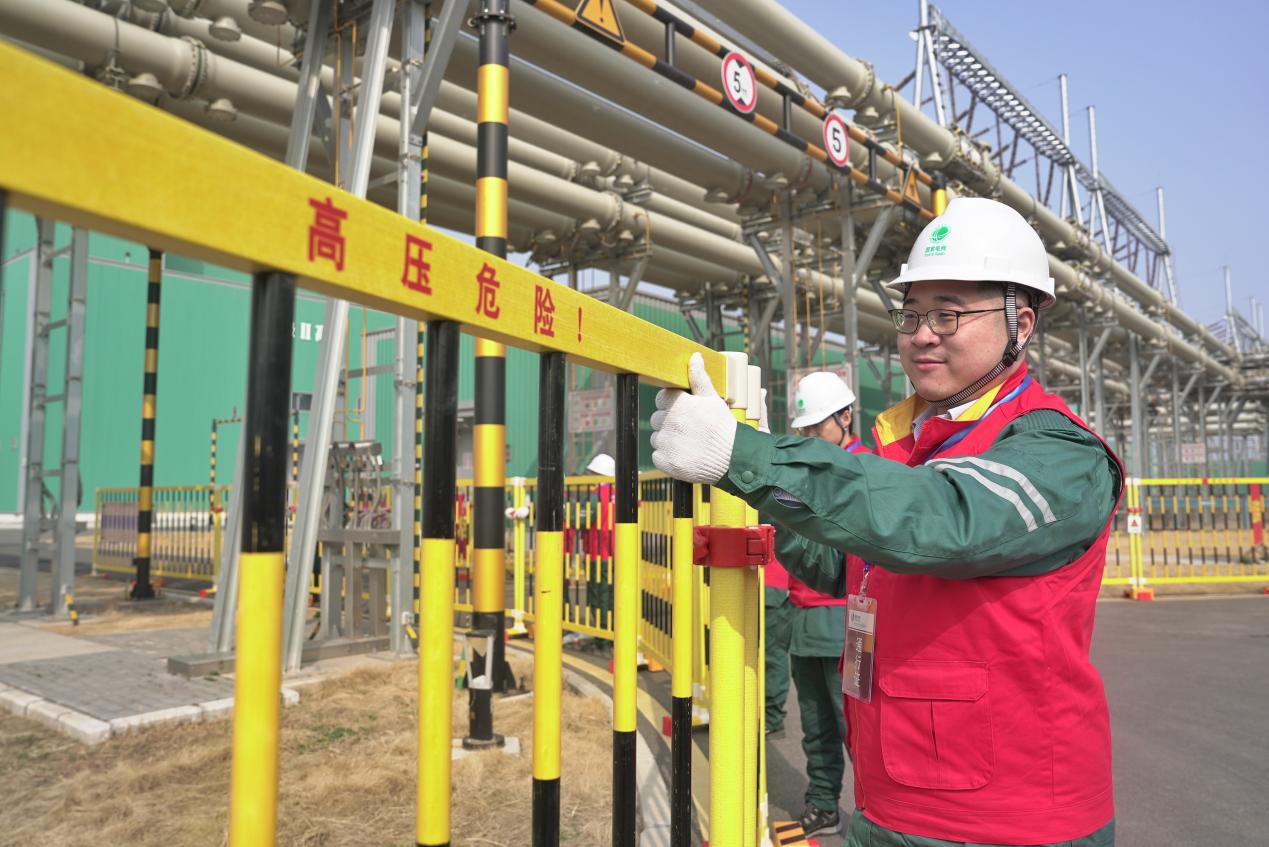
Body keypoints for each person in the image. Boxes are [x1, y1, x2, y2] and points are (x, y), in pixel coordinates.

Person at [650, 198, 1121, 847]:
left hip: (1009, 824)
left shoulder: (1059, 452)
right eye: (911, 314)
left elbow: (942, 518)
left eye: (948, 313)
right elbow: (839, 564)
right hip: (890, 803)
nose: (922, 334)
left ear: (1020, 322)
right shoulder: (907, 446)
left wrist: (745, 454)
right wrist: (745, 494)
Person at [783, 372, 872, 838]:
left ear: (846, 417)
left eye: (818, 427)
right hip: (806, 619)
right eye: (805, 429)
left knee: (859, 727)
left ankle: (877, 817)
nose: (810, 437)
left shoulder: (868, 470)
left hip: (855, 622)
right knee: (816, 724)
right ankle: (823, 804)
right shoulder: (804, 472)